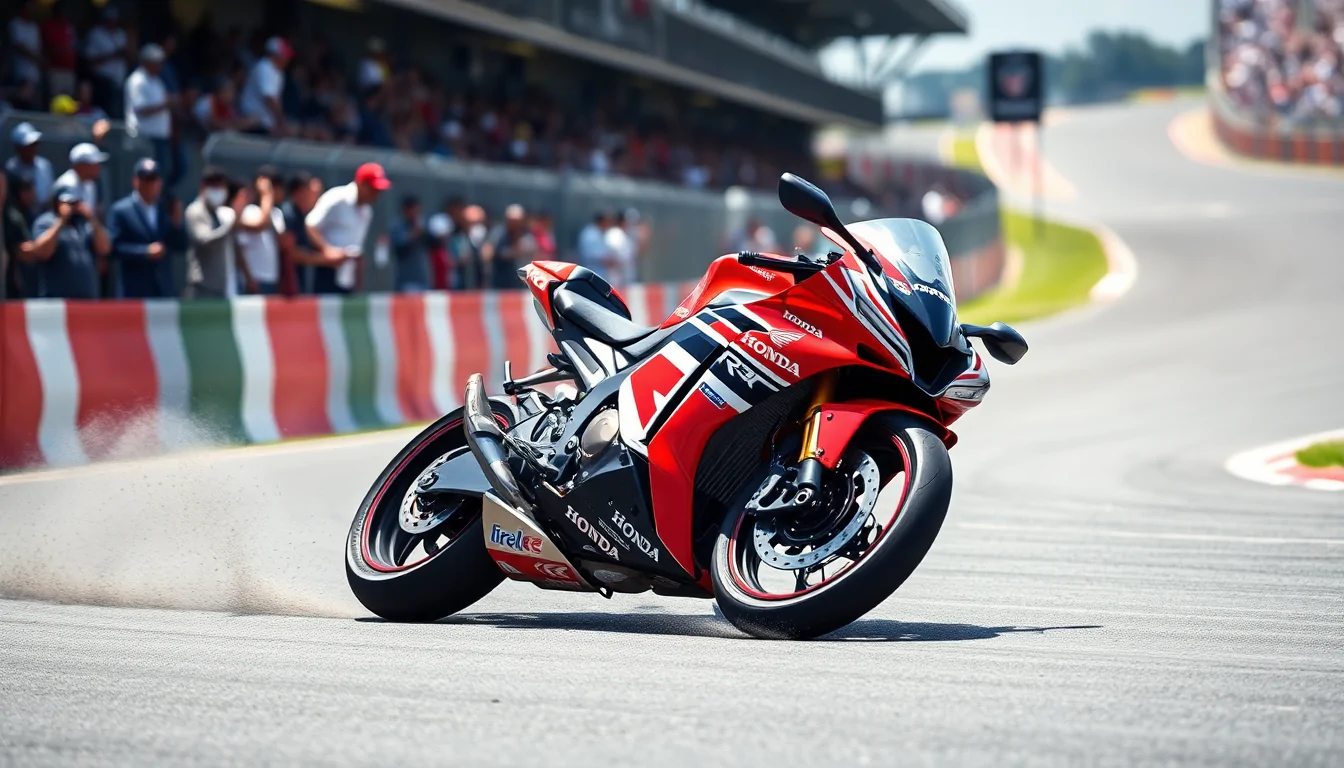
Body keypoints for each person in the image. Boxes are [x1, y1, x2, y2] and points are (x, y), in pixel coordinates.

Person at [106, 157, 187, 298]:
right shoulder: (121, 210)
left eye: (154, 179)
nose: (150, 184)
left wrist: (177, 223)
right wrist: (144, 252)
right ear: (136, 181)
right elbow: (113, 248)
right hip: (134, 291)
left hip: (163, 290)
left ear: (160, 183)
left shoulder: (165, 209)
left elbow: (181, 245)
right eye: (146, 179)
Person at [305, 162, 390, 294]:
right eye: (373, 189)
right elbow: (311, 224)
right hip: (327, 272)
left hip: (349, 276)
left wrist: (359, 280)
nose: (376, 194)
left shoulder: (367, 211)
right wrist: (327, 249)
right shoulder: (337, 198)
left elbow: (358, 245)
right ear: (361, 184)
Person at [31, 184, 110, 299]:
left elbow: (105, 248)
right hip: (57, 300)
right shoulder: (46, 222)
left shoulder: (83, 224)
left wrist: (92, 218)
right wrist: (61, 220)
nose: (72, 207)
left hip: (86, 299)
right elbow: (42, 252)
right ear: (57, 203)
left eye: (75, 203)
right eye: (68, 203)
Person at [185, 166, 247, 298]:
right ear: (203, 186)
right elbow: (206, 240)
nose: (219, 191)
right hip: (202, 288)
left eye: (222, 187)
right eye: (215, 186)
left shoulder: (218, 213)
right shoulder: (195, 211)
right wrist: (232, 224)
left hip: (220, 288)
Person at [125, 44, 174, 182]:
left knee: (159, 177)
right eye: (157, 63)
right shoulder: (137, 81)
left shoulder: (156, 81)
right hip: (144, 138)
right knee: (146, 177)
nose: (160, 67)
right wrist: (165, 105)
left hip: (159, 136)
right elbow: (140, 109)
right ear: (147, 62)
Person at [235, 169, 285, 294]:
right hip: (254, 279)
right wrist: (248, 278)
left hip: (273, 279)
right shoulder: (250, 211)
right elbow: (240, 250)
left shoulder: (277, 213)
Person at [3, 176, 53, 299]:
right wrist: (41, 248)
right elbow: (23, 251)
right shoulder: (11, 216)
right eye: (27, 191)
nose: (32, 195)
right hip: (12, 282)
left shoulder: (31, 213)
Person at [279, 171, 323, 294]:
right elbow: (291, 253)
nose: (315, 195)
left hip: (301, 282)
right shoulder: (288, 215)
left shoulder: (305, 216)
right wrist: (325, 259)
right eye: (310, 190)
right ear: (299, 192)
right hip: (286, 286)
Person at [239, 36, 293, 136]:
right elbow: (269, 99)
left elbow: (276, 100)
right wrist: (281, 122)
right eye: (283, 55)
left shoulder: (278, 71)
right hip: (254, 120)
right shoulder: (265, 67)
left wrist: (280, 122)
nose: (287, 58)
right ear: (273, 54)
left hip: (266, 121)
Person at [84, 5, 129, 117]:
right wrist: (113, 55)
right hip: (103, 81)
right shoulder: (96, 34)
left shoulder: (121, 34)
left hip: (120, 81)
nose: (112, 22)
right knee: (105, 113)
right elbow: (90, 59)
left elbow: (130, 56)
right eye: (110, 19)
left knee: (118, 113)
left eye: (114, 20)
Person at [483, 204, 537, 290]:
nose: (514, 224)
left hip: (521, 284)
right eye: (512, 221)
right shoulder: (498, 234)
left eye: (517, 221)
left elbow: (534, 255)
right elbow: (487, 252)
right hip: (499, 283)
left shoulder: (527, 237)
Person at [5, 123, 53, 212]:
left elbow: (49, 194)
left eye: (34, 144)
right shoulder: (10, 169)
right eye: (28, 146)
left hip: (44, 213)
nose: (32, 148)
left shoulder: (44, 165)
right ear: (17, 148)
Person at [390, 195, 431, 292]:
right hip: (406, 281)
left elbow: (432, 244)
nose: (415, 214)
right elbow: (400, 249)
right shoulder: (398, 227)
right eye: (413, 210)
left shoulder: (422, 225)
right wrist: (413, 234)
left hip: (423, 279)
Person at [41, 1, 78, 103]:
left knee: (69, 101)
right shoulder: (48, 25)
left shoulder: (68, 25)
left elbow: (73, 44)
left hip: (69, 69)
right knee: (55, 100)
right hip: (55, 69)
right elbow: (45, 48)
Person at [54, 143, 109, 210]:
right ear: (81, 166)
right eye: (94, 164)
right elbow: (65, 212)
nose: (99, 167)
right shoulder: (66, 184)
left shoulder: (90, 183)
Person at [7, 0, 42, 96]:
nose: (33, 10)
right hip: (20, 73)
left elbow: (38, 47)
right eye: (30, 7)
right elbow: (19, 46)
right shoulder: (15, 24)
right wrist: (37, 58)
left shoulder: (34, 26)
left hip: (34, 74)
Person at [603, 209, 636, 288]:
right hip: (615, 275)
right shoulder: (614, 233)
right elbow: (611, 254)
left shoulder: (626, 234)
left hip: (625, 274)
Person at [577, 210, 611, 276]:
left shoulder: (600, 232)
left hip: (601, 272)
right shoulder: (590, 234)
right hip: (591, 271)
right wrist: (606, 260)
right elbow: (589, 254)